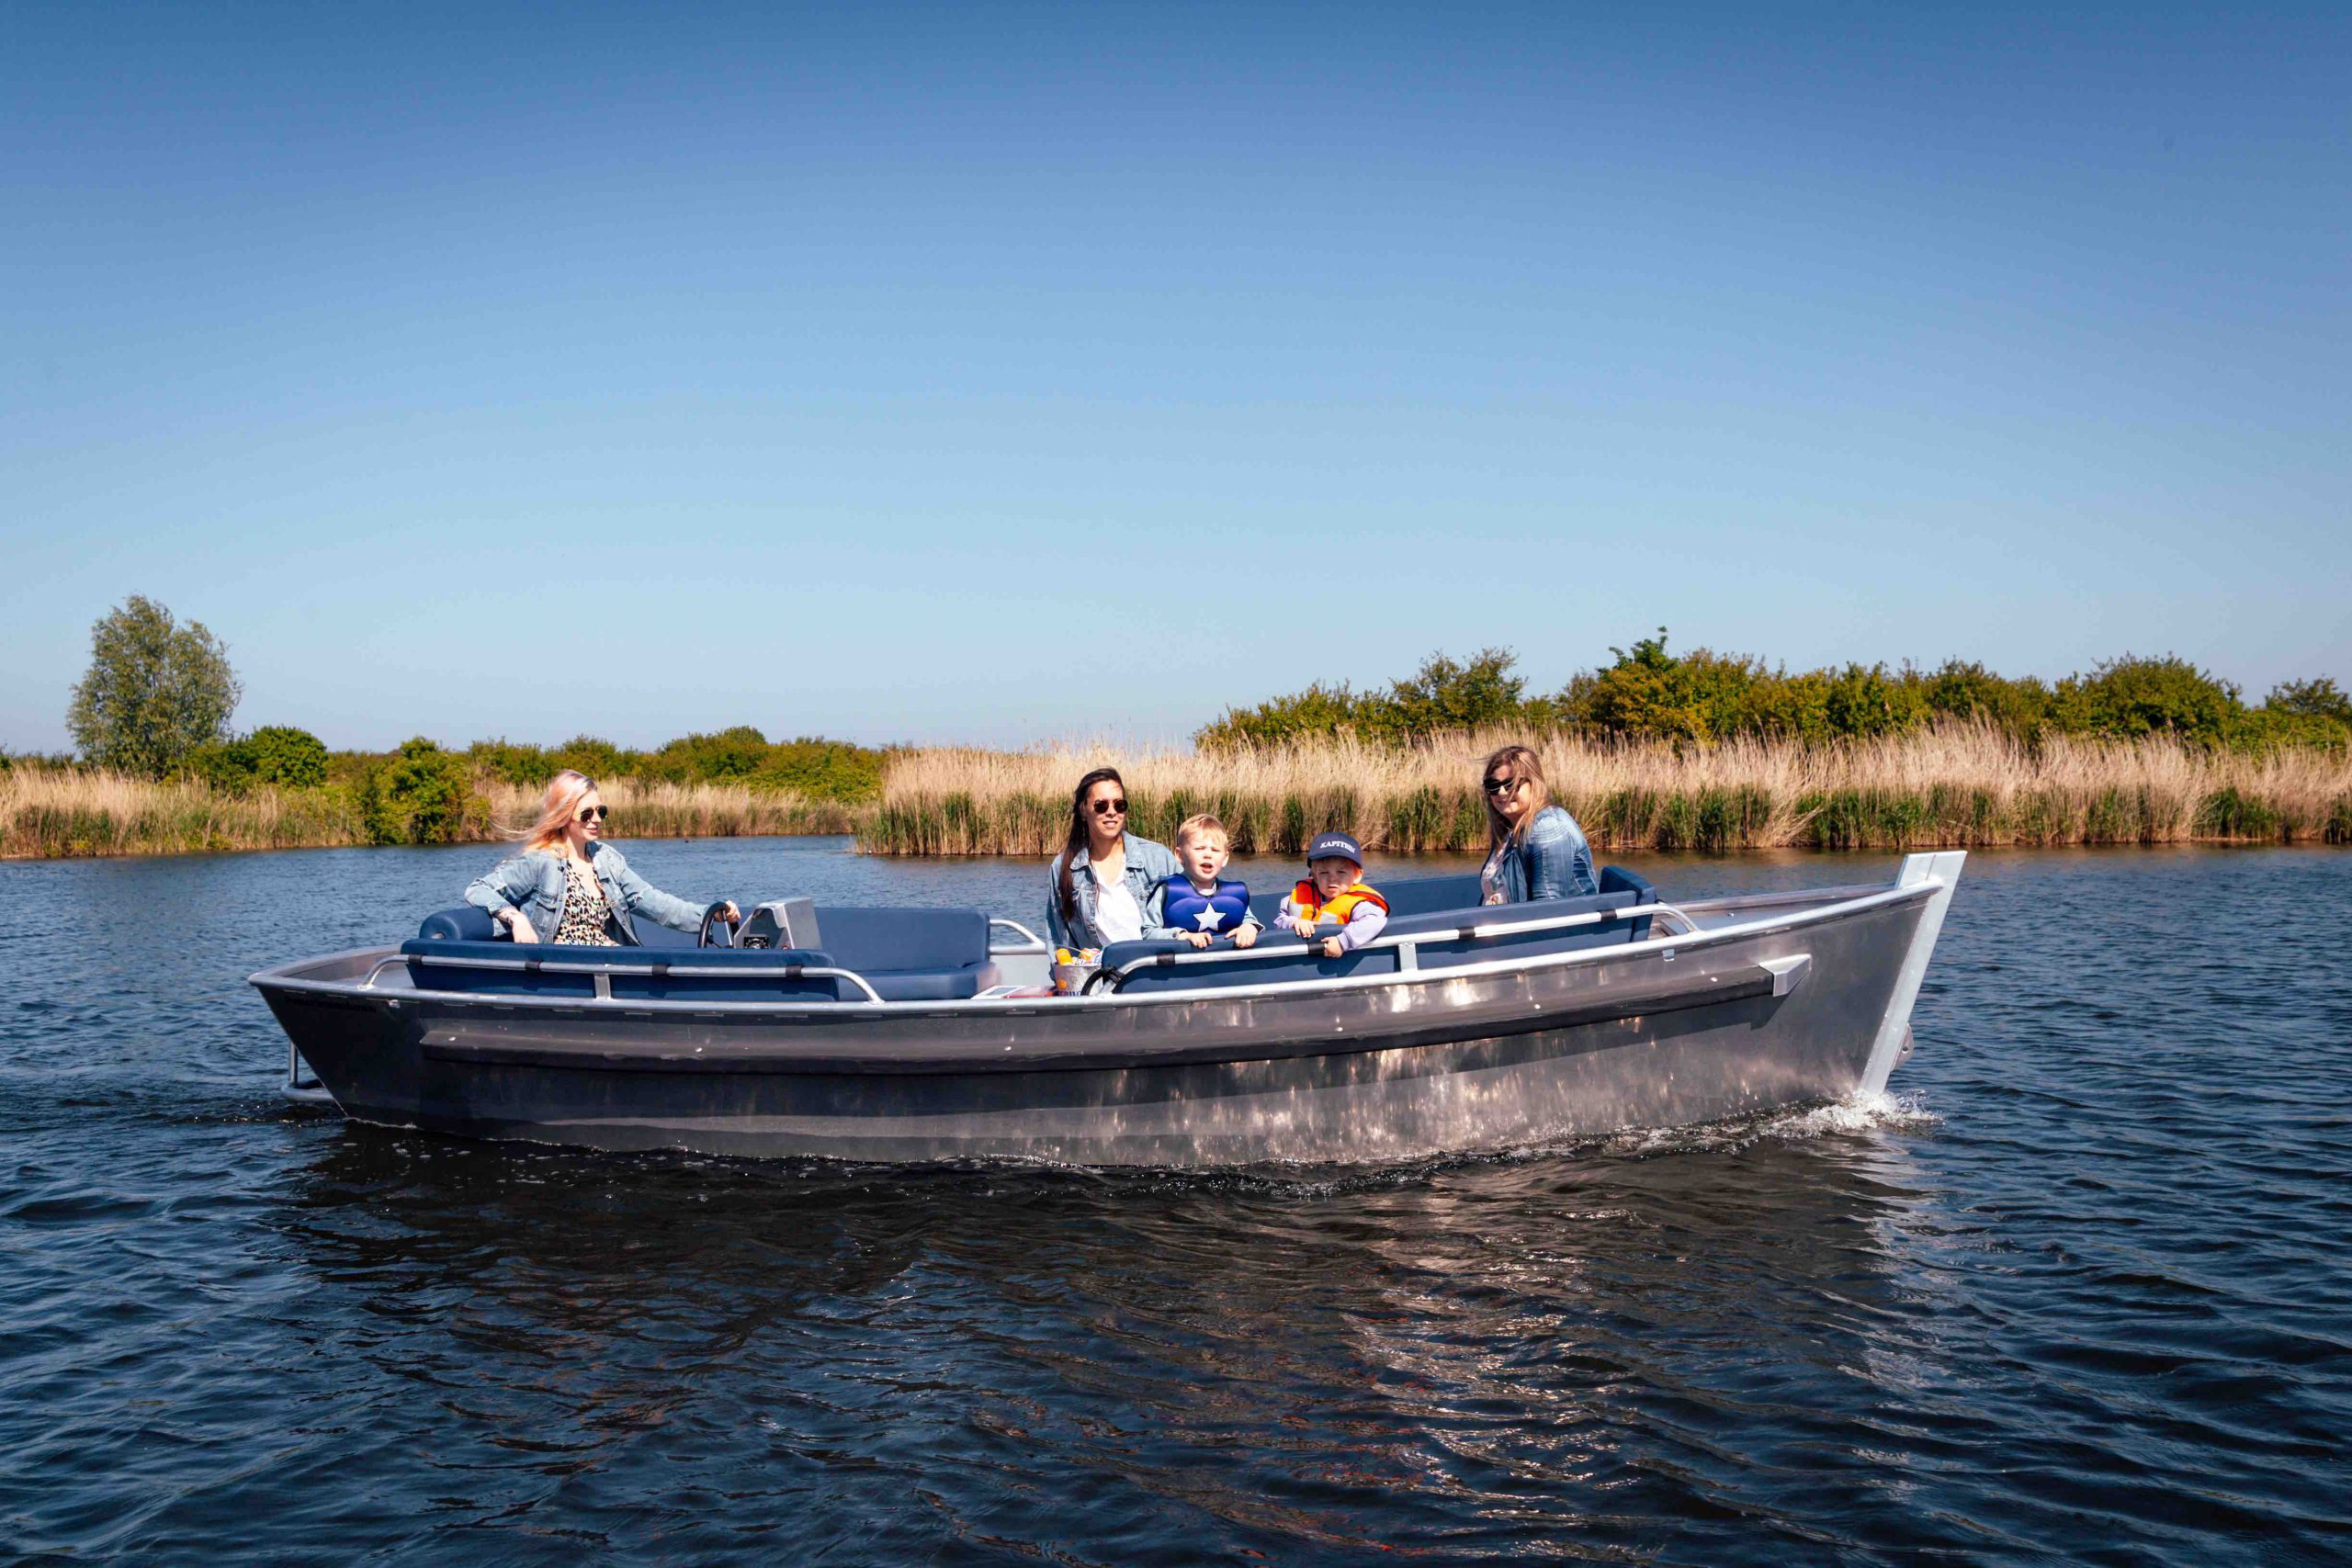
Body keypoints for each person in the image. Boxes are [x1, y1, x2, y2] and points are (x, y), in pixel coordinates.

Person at [463, 770, 738, 945]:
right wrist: (515, 918)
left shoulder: (606, 859)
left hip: (615, 966)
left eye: (600, 811)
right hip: (567, 974)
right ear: (563, 815)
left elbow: (656, 904)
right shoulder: (541, 862)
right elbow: (478, 889)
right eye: (586, 813)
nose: (596, 820)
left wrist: (710, 914)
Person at [1046, 766, 1181, 952]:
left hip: (1156, 973)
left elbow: (1193, 907)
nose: (1111, 812)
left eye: (1119, 805)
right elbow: (1060, 940)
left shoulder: (1158, 858)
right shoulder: (1064, 867)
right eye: (1101, 806)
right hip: (1101, 976)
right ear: (1084, 810)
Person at [1478, 744, 1597, 904]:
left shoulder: (1547, 829)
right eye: (1493, 786)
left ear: (1533, 783)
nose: (1501, 792)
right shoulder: (1509, 831)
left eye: (1511, 784)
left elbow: (1548, 911)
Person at [1145, 814, 1261, 949]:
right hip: (1181, 966)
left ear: (1225, 858)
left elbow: (1249, 920)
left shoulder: (1234, 895)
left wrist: (1249, 928)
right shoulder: (1167, 890)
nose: (1208, 854)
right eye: (1199, 849)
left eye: (1215, 850)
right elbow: (1148, 932)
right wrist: (1183, 936)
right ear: (1180, 855)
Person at [1277, 829, 1389, 959]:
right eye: (1324, 873)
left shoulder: (1361, 905)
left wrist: (1343, 941)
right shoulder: (1291, 900)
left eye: (1341, 872)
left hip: (1339, 965)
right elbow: (1279, 921)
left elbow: (1375, 922)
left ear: (1357, 876)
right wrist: (1293, 922)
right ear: (1314, 875)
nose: (1332, 879)